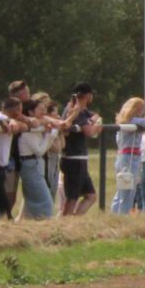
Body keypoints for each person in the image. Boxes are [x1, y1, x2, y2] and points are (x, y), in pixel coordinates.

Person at [57, 83, 101, 217]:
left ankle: (73, 223)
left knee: (91, 196)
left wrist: (94, 120)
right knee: (72, 197)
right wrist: (97, 125)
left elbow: (95, 116)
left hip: (78, 159)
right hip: (73, 158)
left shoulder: (82, 110)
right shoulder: (75, 110)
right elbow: (91, 131)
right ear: (88, 95)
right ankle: (65, 224)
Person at [0, 97, 22, 220]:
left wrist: (12, 122)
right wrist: (5, 123)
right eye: (20, 109)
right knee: (2, 200)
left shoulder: (7, 119)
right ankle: (9, 221)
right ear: (16, 109)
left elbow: (18, 125)